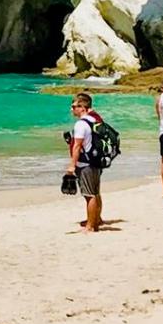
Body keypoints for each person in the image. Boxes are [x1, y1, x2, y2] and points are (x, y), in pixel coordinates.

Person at [66, 91, 107, 233]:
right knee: (95, 193)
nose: (72, 109)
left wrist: (72, 165)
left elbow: (77, 146)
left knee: (89, 195)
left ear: (82, 107)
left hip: (85, 164)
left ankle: (90, 225)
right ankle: (95, 222)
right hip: (95, 162)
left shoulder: (80, 124)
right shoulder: (93, 121)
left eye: (74, 106)